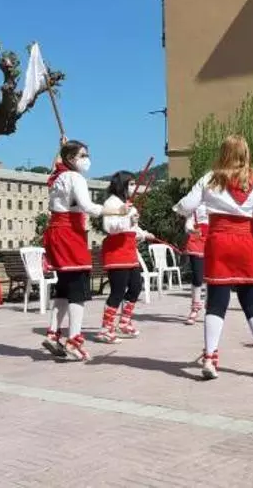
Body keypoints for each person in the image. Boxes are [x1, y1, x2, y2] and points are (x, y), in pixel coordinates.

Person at [172, 135, 253, 380]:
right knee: (252, 300)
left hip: (219, 242)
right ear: (245, 154)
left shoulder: (209, 179)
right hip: (246, 243)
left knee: (217, 302)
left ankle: (210, 358)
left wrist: (179, 209)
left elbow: (187, 206)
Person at [42, 138, 127, 361]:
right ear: (71, 159)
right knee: (77, 290)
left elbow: (56, 163)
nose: (87, 160)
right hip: (70, 234)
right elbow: (87, 206)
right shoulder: (74, 177)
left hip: (56, 232)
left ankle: (53, 333)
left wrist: (62, 147)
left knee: (63, 287)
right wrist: (116, 212)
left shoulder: (56, 176)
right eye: (83, 155)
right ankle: (74, 339)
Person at [98, 172, 156, 344]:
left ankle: (124, 322)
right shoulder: (111, 203)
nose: (132, 188)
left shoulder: (129, 205)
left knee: (136, 286)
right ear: (121, 185)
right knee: (117, 291)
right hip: (116, 252)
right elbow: (110, 227)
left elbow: (134, 229)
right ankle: (106, 328)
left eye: (133, 184)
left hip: (129, 251)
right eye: (130, 184)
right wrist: (127, 220)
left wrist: (145, 234)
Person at [182, 203, 209, 324]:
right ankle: (195, 308)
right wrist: (192, 229)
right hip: (196, 242)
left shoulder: (218, 203)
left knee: (212, 277)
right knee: (197, 277)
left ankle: (211, 306)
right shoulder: (194, 206)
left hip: (213, 241)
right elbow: (188, 224)